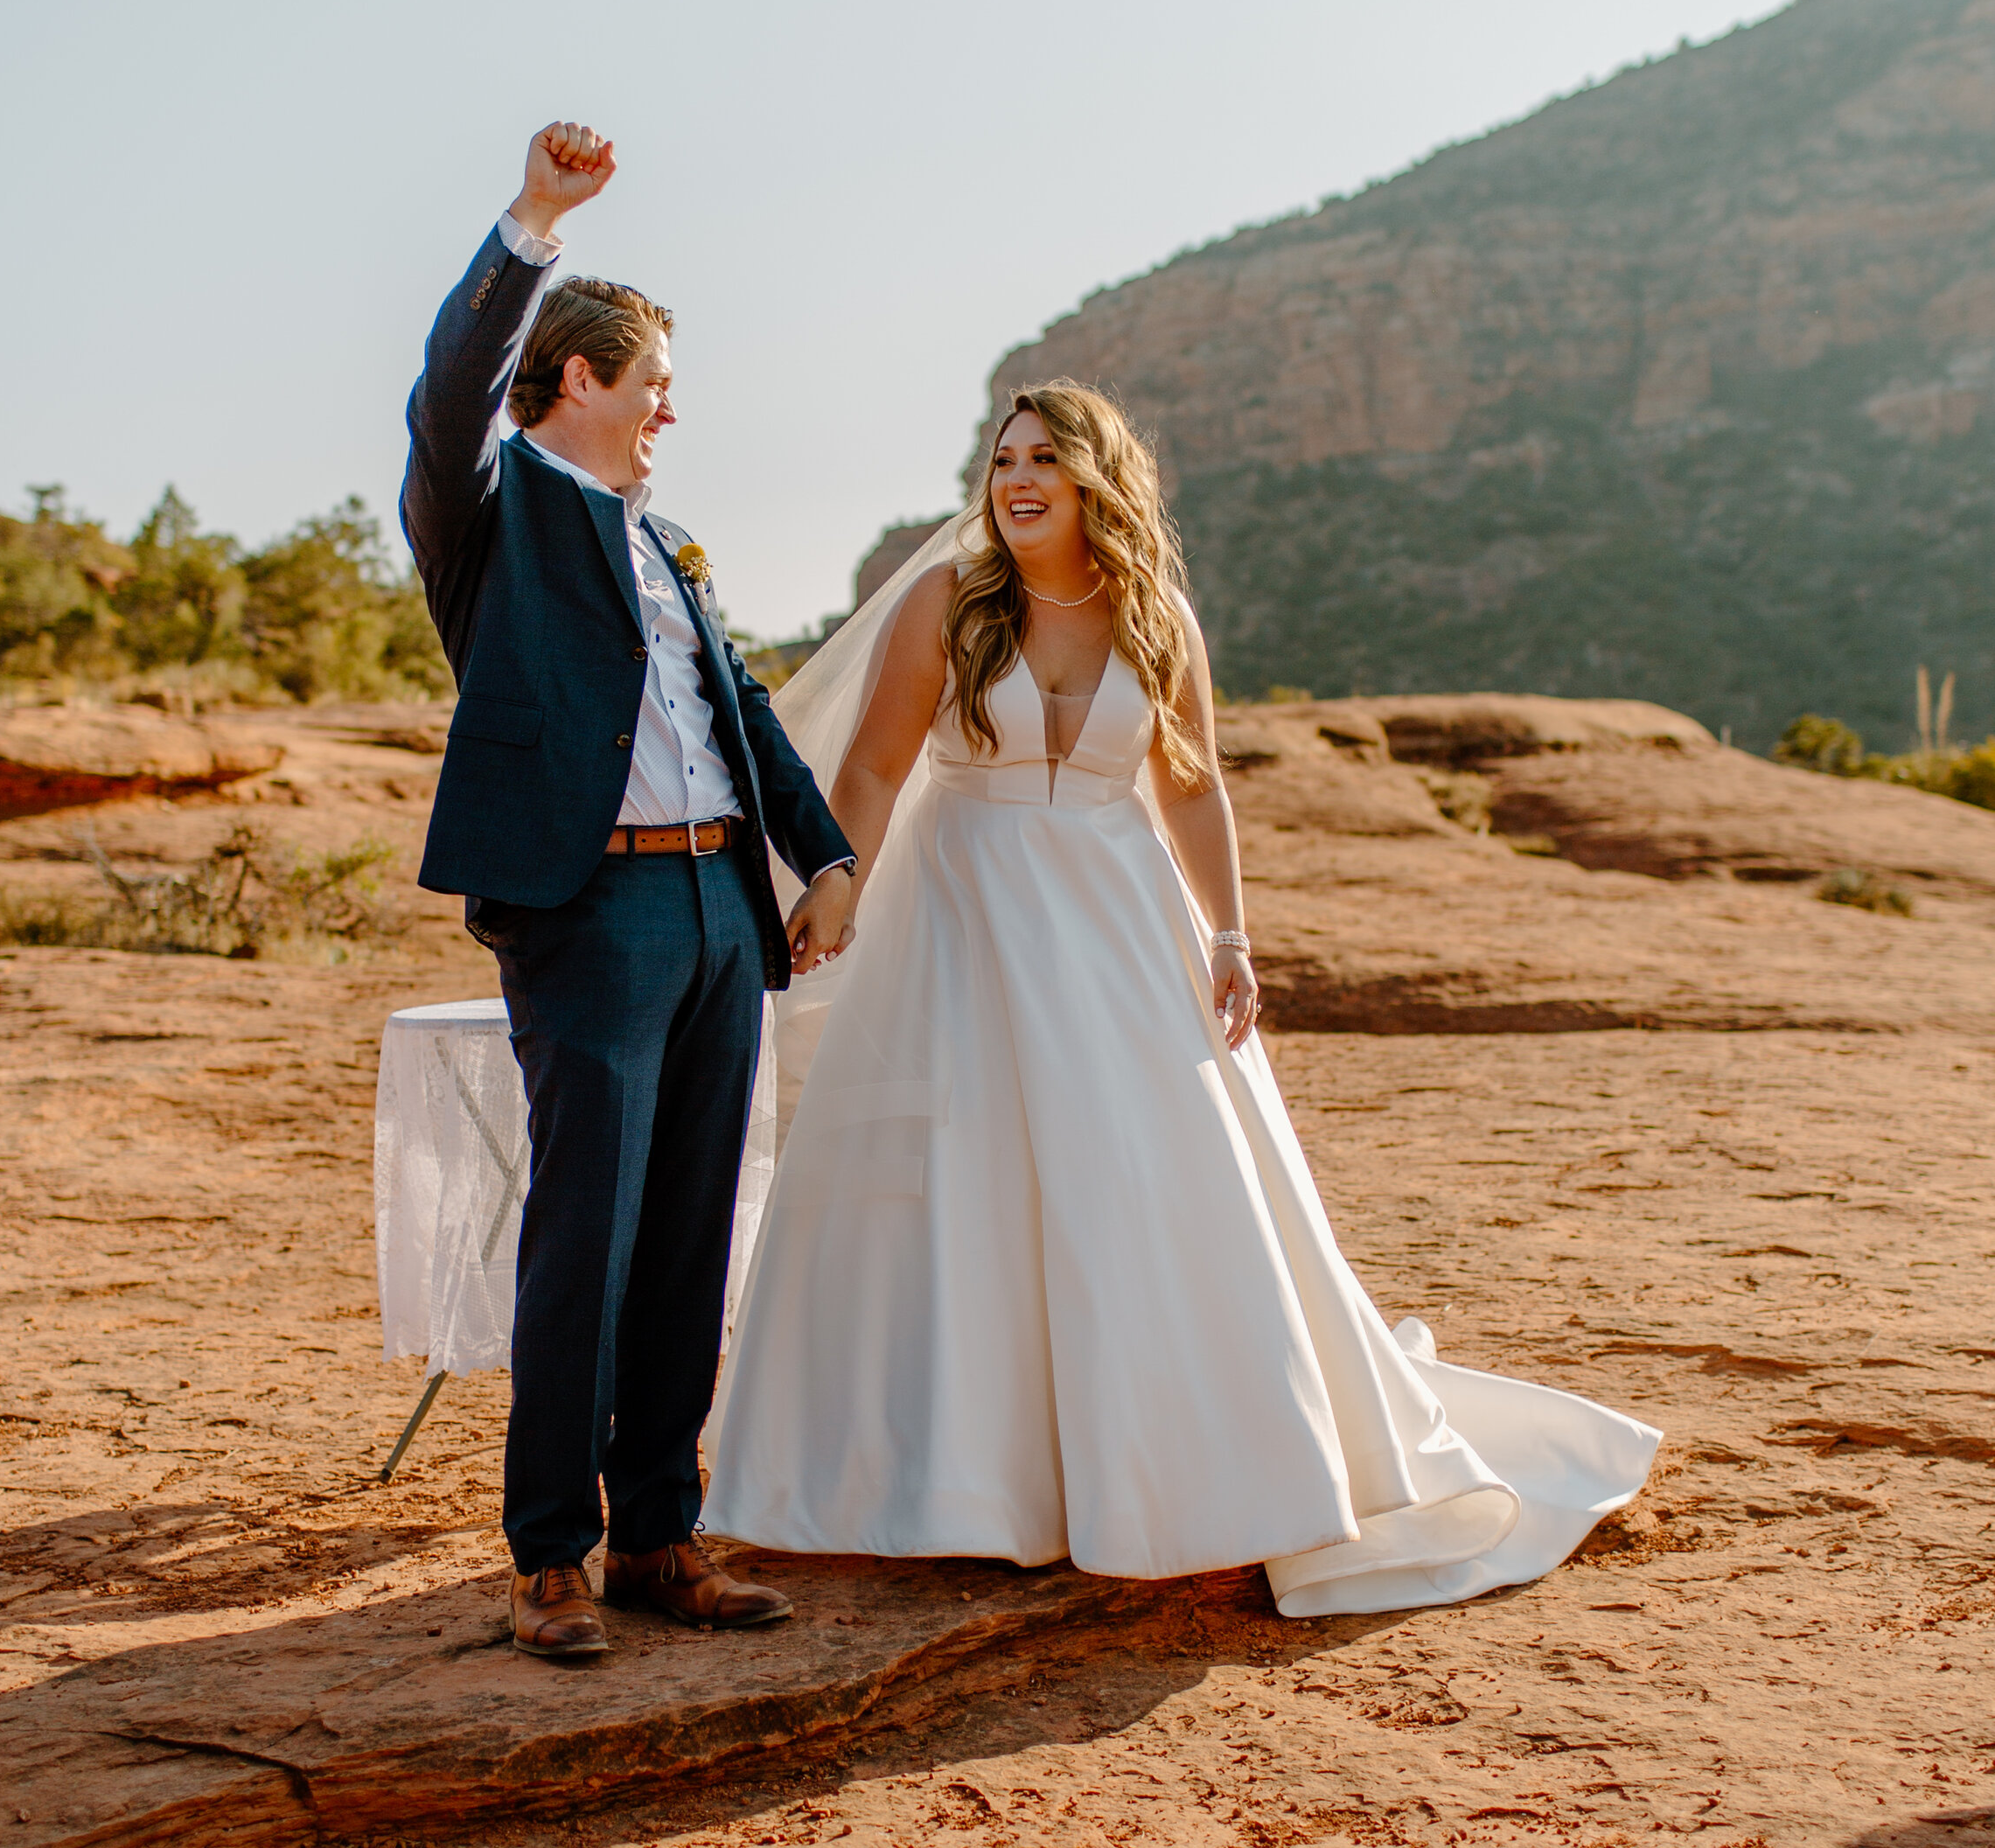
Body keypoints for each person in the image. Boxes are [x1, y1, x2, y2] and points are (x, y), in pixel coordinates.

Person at [704, 380, 1659, 1608]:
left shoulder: (1156, 616)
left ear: (1096, 474)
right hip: (963, 915)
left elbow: (1194, 789)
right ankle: (950, 1483)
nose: (1018, 477)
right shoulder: (950, 604)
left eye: (1045, 455)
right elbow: (878, 765)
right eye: (1003, 459)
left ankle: (1167, 1465)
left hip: (1117, 919)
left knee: (1138, 1172)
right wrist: (839, 884)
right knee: (963, 1176)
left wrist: (1230, 934)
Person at [401, 122, 857, 1664]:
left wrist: (829, 857)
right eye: (652, 375)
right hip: (590, 917)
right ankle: (551, 1560)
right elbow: (444, 396)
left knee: (688, 1234)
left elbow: (746, 710)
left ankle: (663, 1531)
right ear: (579, 375)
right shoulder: (487, 513)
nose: (671, 404)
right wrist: (533, 222)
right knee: (583, 1234)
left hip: (723, 913)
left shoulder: (670, 544)